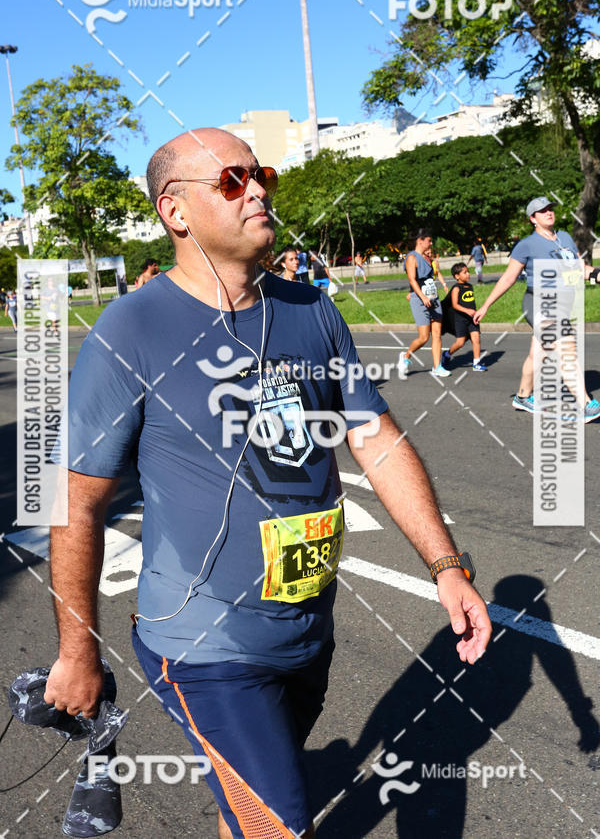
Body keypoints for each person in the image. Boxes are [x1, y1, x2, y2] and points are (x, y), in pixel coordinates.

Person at [44, 128, 491, 839]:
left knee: (247, 809)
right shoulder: (130, 330)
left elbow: (373, 438)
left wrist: (446, 566)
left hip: (306, 629)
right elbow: (78, 500)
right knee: (281, 827)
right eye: (229, 180)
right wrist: (77, 651)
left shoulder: (312, 310)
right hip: (202, 644)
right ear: (175, 212)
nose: (256, 190)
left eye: (261, 175)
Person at [474, 196, 600, 422]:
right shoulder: (526, 245)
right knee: (566, 349)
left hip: (562, 306)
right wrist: (485, 305)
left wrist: (595, 273)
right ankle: (585, 404)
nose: (549, 213)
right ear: (533, 219)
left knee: (538, 354)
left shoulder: (564, 238)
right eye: (542, 211)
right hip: (539, 303)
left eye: (550, 209)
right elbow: (508, 278)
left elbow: (578, 267)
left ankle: (522, 397)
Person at [399, 228, 450, 378]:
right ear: (420, 241)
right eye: (429, 240)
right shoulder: (411, 258)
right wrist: (422, 297)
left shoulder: (428, 258)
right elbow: (412, 280)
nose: (431, 243)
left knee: (437, 335)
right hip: (420, 300)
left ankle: (437, 366)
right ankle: (406, 356)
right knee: (424, 337)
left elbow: (430, 278)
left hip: (433, 298)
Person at [442, 263, 487, 371]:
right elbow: (455, 305)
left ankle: (476, 363)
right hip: (460, 319)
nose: (468, 274)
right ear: (457, 276)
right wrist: (467, 311)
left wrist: (475, 314)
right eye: (465, 272)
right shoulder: (456, 288)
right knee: (460, 342)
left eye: (468, 272)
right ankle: (447, 354)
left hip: (472, 318)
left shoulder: (470, 286)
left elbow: (470, 302)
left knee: (476, 338)